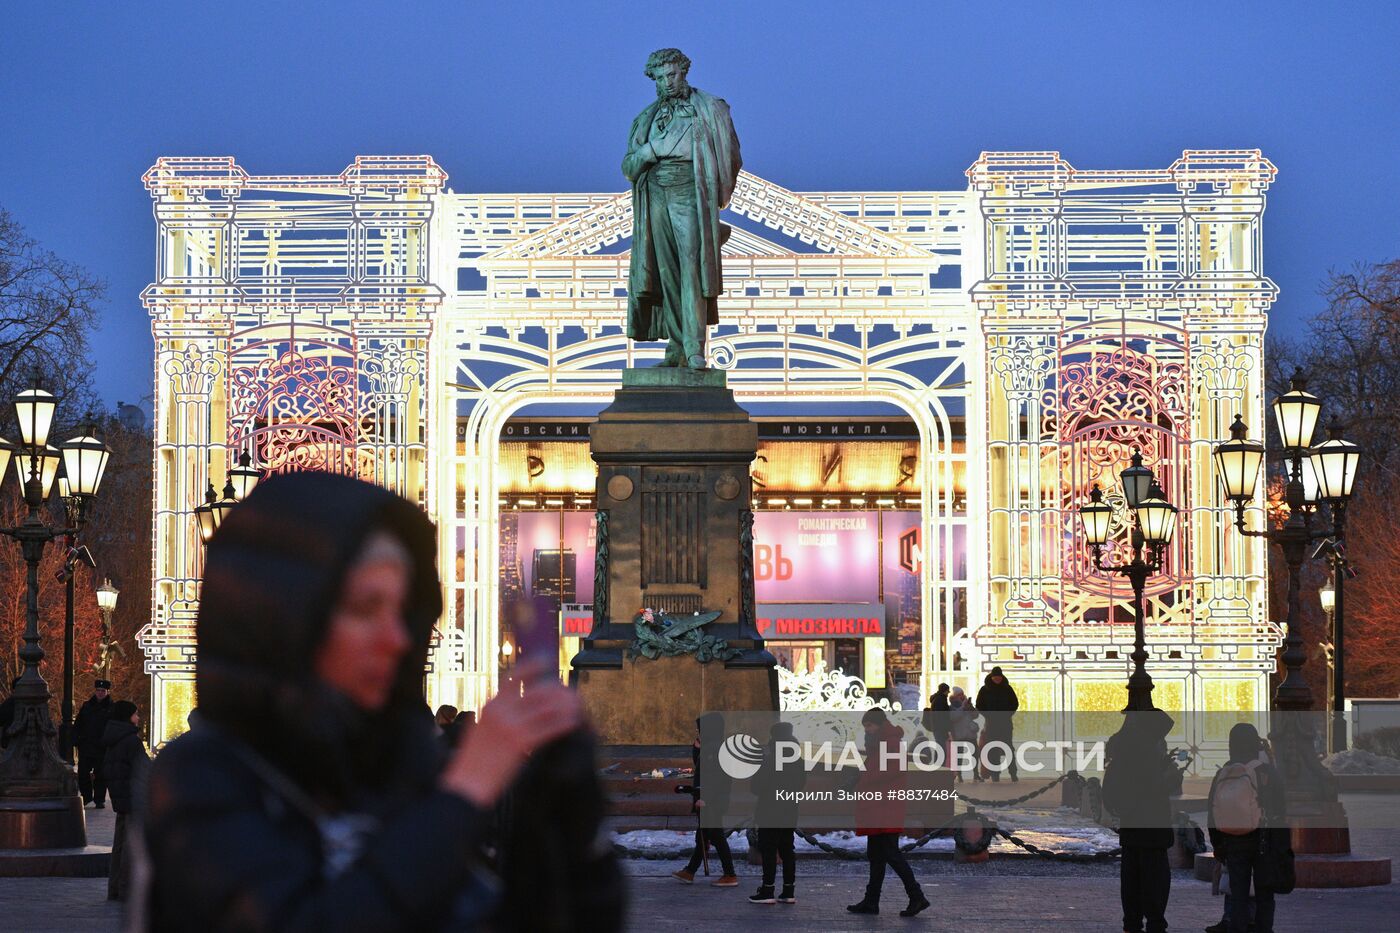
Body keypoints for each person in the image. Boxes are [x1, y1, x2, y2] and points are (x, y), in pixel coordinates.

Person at [140, 471, 621, 932]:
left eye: (402, 610)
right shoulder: (202, 776)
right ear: (284, 617)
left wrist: (570, 831)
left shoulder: (403, 759)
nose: (396, 638)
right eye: (365, 608)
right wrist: (464, 795)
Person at [622, 47, 743, 369]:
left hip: (691, 192)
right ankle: (676, 347)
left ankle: (694, 348)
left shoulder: (710, 109)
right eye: (660, 78)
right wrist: (650, 151)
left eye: (672, 75)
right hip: (655, 197)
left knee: (691, 271)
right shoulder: (645, 118)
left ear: (684, 72)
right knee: (666, 274)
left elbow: (731, 156)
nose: (667, 83)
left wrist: (714, 198)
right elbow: (628, 166)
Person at [1102, 709, 1183, 933]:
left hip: (1131, 827)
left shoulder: (1123, 747)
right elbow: (1153, 788)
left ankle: (1132, 924)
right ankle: (1155, 924)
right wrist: (1171, 777)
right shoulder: (1147, 751)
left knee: (1131, 881)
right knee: (1154, 882)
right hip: (1153, 827)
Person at [847, 708, 929, 918]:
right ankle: (871, 900)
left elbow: (891, 770)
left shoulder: (891, 742)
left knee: (891, 853)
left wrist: (862, 778)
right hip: (878, 806)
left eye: (869, 726)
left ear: (879, 724)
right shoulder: (879, 742)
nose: (867, 730)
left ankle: (916, 896)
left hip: (886, 806)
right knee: (875, 855)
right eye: (865, 727)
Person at [1208, 723, 1287, 933]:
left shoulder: (1225, 772)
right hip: (1264, 842)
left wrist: (1218, 844)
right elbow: (1280, 808)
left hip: (1233, 841)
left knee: (1238, 894)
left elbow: (1212, 810)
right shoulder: (1267, 772)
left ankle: (1237, 928)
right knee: (1264, 894)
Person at [674, 713, 738, 887]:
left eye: (700, 729)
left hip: (712, 801)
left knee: (716, 836)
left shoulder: (715, 749)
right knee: (703, 837)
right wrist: (697, 749)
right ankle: (690, 872)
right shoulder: (713, 747)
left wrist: (705, 799)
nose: (698, 732)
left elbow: (715, 779)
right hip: (712, 800)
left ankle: (730, 874)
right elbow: (702, 768)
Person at [748, 720, 804, 906]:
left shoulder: (770, 759)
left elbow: (756, 786)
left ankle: (767, 889)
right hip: (789, 809)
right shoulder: (798, 759)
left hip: (769, 810)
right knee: (787, 850)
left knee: (769, 850)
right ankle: (789, 891)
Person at [103, 699, 150, 901]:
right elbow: (144, 769)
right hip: (132, 797)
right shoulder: (131, 741)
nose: (138, 717)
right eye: (135, 714)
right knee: (130, 846)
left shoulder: (113, 738)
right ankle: (125, 888)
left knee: (119, 844)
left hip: (120, 797)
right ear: (127, 717)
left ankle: (114, 886)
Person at [73, 678, 114, 807]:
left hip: (102, 746)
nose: (100, 693)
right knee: (83, 773)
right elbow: (79, 723)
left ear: (107, 691)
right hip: (87, 745)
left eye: (103, 691)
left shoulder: (112, 708)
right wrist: (76, 739)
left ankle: (99, 799)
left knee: (101, 774)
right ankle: (86, 796)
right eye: (98, 690)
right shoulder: (87, 706)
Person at [975, 666, 1020, 781]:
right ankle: (995, 774)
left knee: (1008, 748)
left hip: (1005, 723)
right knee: (993, 749)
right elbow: (979, 705)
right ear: (992, 677)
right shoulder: (985, 690)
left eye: (999, 677)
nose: (997, 679)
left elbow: (1015, 703)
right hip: (992, 724)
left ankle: (1013, 773)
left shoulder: (1007, 688)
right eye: (995, 677)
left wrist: (1007, 714)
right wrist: (989, 715)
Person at [948, 687, 980, 782]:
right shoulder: (952, 706)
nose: (961, 696)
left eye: (962, 694)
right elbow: (953, 718)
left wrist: (971, 708)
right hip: (959, 734)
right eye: (959, 694)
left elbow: (976, 715)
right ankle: (959, 775)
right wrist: (963, 708)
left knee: (975, 754)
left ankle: (976, 774)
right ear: (955, 696)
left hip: (970, 733)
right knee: (959, 756)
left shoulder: (967, 703)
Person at [922, 683, 951, 766]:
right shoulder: (940, 700)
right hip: (940, 729)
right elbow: (942, 717)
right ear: (944, 691)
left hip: (937, 728)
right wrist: (946, 729)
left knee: (940, 747)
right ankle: (939, 767)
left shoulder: (938, 699)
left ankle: (938, 766)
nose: (948, 693)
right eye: (947, 691)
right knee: (941, 749)